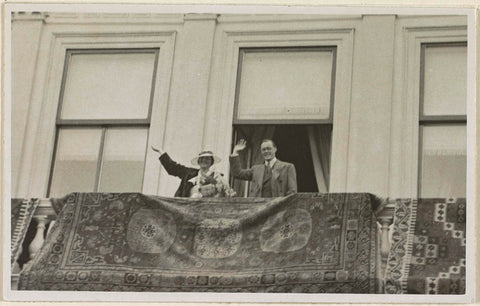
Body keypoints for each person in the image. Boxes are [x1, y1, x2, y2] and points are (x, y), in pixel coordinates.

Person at [152, 146, 235, 198]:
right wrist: (161, 152)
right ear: (198, 162)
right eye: (202, 159)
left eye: (207, 159)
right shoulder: (189, 173)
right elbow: (173, 168)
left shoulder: (219, 178)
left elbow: (227, 194)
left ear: (211, 162)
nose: (204, 161)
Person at [229, 139, 297, 197]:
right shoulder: (256, 169)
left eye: (269, 148)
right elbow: (237, 173)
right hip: (258, 209)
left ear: (275, 149)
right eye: (263, 150)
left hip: (279, 209)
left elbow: (292, 192)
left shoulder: (288, 167)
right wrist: (235, 151)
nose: (266, 151)